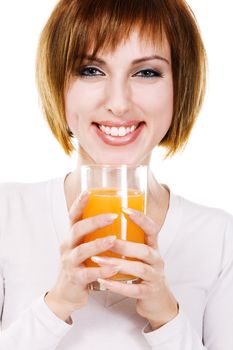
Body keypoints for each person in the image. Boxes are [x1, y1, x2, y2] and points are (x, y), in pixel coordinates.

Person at [0, 0, 232, 349]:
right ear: (57, 82)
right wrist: (55, 306)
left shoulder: (218, 238)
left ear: (180, 86)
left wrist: (167, 317)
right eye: (91, 71)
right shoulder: (8, 213)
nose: (119, 103)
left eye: (147, 72)